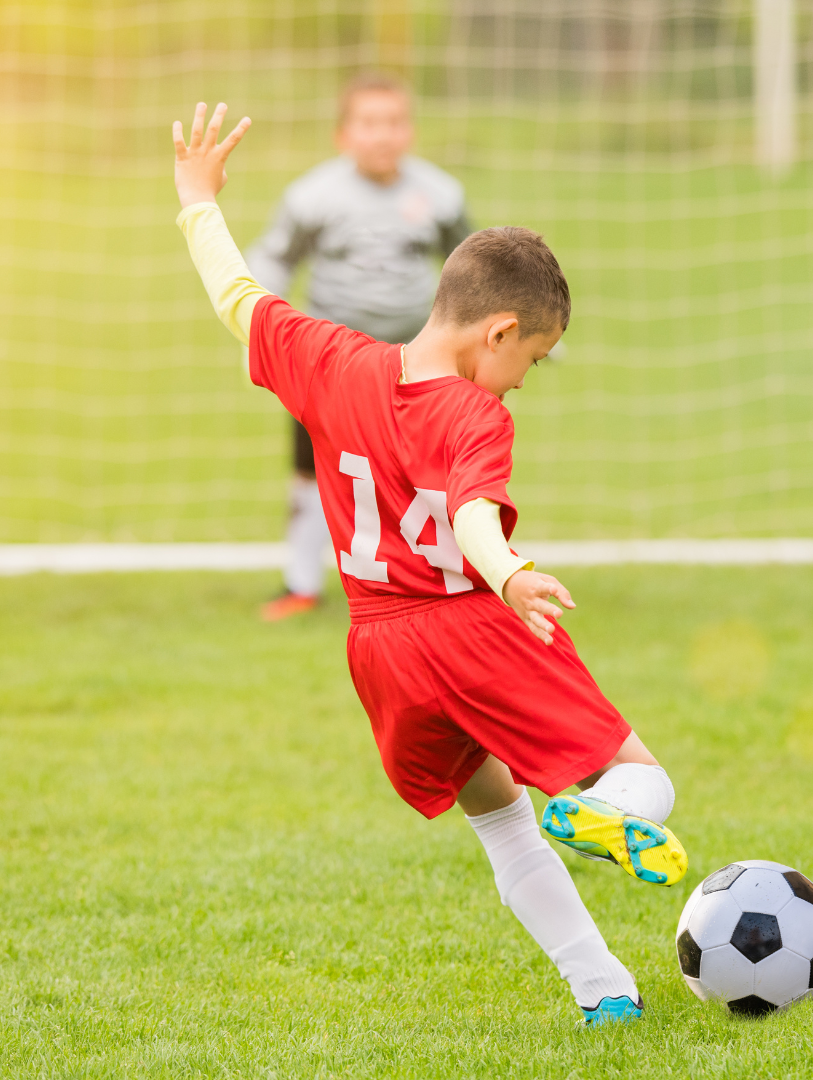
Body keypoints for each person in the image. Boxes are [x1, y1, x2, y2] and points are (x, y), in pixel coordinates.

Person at [172, 101, 688, 1026]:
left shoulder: (331, 361)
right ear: (496, 331)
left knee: (498, 817)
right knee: (641, 775)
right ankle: (613, 814)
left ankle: (603, 990)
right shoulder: (475, 414)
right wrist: (509, 575)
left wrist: (196, 200)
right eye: (534, 354)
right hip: (471, 627)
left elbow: (236, 296)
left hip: (380, 652)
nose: (528, 375)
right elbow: (473, 513)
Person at [246, 72, 472, 621]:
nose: (382, 135)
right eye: (368, 124)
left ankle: (444, 579)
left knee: (430, 468)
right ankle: (300, 583)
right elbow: (274, 258)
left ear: (410, 130)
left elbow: (469, 266)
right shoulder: (312, 195)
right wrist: (262, 312)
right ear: (342, 134)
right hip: (331, 360)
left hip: (415, 358)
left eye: (394, 122)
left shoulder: (440, 194)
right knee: (313, 467)